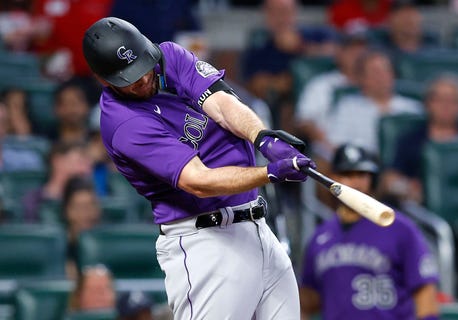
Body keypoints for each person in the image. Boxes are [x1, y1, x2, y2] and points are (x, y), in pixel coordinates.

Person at [82, 17, 315, 319]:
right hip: (205, 242)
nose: (140, 78)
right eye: (128, 77)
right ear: (104, 80)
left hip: (257, 227)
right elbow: (199, 180)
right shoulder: (123, 123)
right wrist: (269, 173)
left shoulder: (168, 56)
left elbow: (221, 102)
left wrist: (262, 138)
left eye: (141, 66)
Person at [300, 144, 440, 319]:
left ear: (373, 179)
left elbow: (425, 294)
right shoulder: (320, 237)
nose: (355, 182)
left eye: (361, 174)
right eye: (347, 175)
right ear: (333, 179)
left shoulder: (400, 228)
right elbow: (307, 300)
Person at [380, 74, 458, 205]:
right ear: (428, 103)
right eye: (440, 100)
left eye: (452, 100)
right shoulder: (410, 140)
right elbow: (389, 180)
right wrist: (406, 187)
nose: (446, 106)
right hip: (420, 208)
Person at [324, 50, 422, 155]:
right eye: (375, 72)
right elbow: (335, 145)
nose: (381, 77)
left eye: (386, 71)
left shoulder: (413, 109)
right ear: (361, 78)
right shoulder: (348, 108)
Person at [295, 28, 369, 159]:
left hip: (368, 148)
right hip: (329, 151)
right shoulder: (322, 85)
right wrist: (329, 147)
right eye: (351, 50)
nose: (357, 55)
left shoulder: (374, 85)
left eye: (362, 50)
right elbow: (305, 121)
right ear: (339, 54)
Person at [22, 140, 93, 222]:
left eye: (89, 165)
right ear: (58, 161)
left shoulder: (92, 201)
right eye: (80, 162)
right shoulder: (34, 201)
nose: (87, 170)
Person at [62, 176, 102, 280]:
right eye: (79, 207)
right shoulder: (59, 248)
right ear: (67, 210)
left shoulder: (105, 246)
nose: (86, 214)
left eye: (91, 206)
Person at [50, 79, 92, 143]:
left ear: (87, 106)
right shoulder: (45, 141)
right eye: (65, 104)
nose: (71, 109)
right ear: (55, 108)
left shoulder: (99, 139)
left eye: (75, 103)